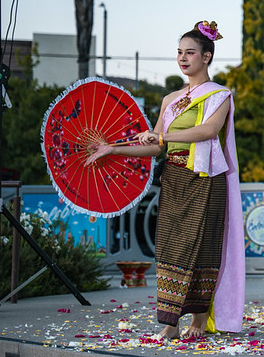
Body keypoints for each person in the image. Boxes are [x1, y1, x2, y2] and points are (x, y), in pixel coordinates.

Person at [85, 21, 244, 339]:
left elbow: (207, 132)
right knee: (170, 249)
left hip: (204, 179)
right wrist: (113, 149)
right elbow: (156, 145)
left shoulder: (219, 96)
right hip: (173, 178)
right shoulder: (170, 99)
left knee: (201, 248)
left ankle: (198, 318)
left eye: (191, 52)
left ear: (207, 57)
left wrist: (164, 134)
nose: (183, 58)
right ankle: (171, 322)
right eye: (179, 52)